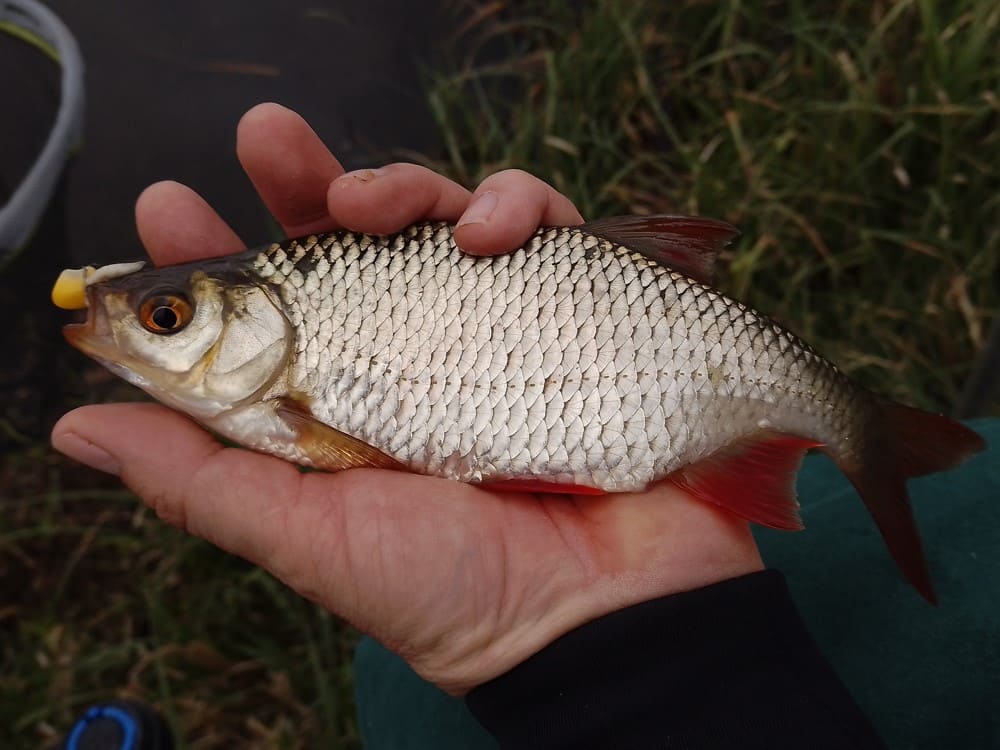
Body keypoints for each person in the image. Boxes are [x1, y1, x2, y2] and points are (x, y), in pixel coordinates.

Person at [52, 103, 887, 748]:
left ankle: (877, 440)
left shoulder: (289, 408)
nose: (145, 326)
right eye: (171, 315)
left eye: (164, 316)